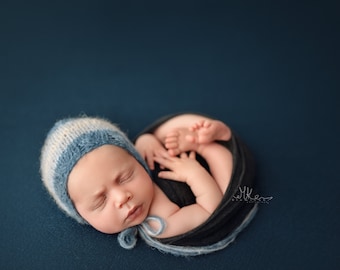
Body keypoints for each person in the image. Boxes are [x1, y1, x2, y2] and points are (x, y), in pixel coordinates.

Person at [40, 113, 257, 256]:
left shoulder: (137, 157)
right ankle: (213, 143)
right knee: (232, 189)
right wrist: (194, 173)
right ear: (80, 215)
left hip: (166, 160)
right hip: (209, 185)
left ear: (133, 157)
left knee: (157, 132)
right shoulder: (159, 224)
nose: (122, 197)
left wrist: (147, 141)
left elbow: (141, 146)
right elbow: (211, 209)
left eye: (125, 177)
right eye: (100, 201)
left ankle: (200, 132)